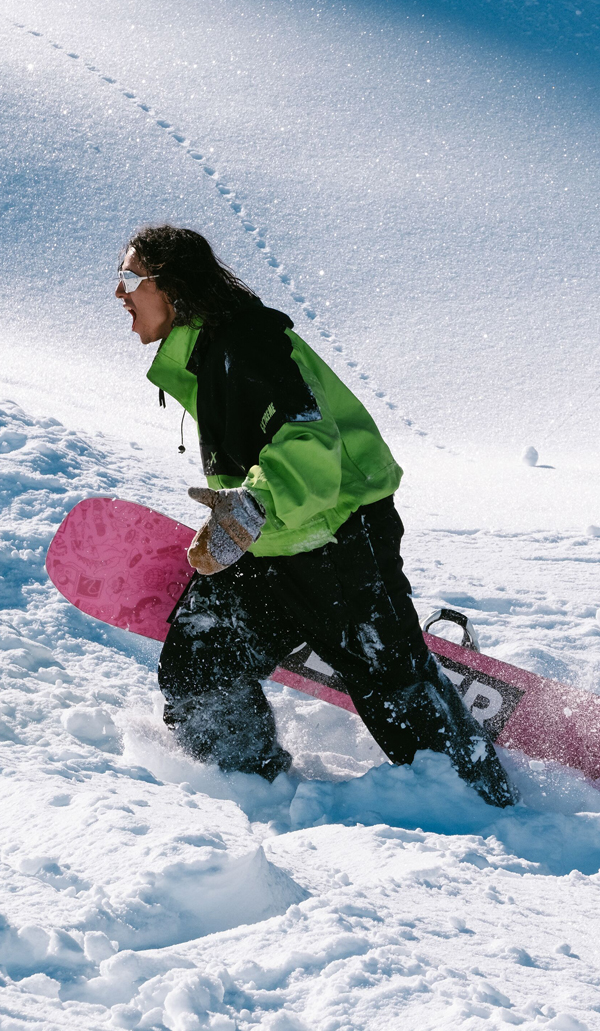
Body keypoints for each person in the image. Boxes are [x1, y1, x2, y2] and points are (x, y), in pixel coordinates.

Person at [115, 225, 515, 808]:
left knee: (397, 694)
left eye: (130, 278)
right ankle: (253, 791)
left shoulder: (248, 341)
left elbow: (306, 437)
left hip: (338, 539)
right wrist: (244, 515)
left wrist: (253, 505)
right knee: (201, 663)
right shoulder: (208, 353)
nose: (119, 293)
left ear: (172, 285)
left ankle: (485, 810)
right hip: (270, 542)